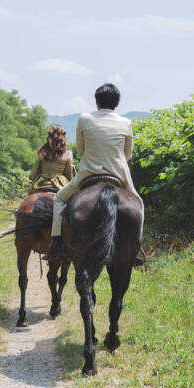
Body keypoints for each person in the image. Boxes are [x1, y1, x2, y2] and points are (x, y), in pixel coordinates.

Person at [48, 83, 144, 264]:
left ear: (96, 102)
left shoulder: (84, 119)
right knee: (138, 203)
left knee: (59, 199)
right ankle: (136, 248)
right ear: (117, 103)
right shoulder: (126, 123)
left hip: (88, 173)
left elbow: (81, 150)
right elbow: (127, 155)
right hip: (119, 174)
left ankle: (57, 243)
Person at [28, 124, 75, 194]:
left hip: (41, 185)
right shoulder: (68, 154)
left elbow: (32, 176)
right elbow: (71, 177)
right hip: (60, 186)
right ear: (63, 138)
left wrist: (38, 161)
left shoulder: (41, 151)